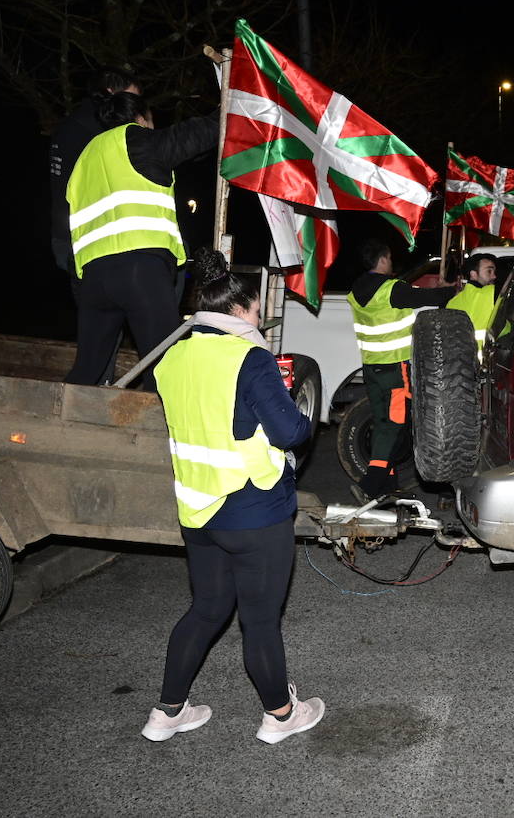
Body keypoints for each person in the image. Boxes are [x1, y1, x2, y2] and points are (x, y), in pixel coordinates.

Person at [143, 247, 324, 745]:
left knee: (205, 609)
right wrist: (293, 403)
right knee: (260, 621)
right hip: (253, 511)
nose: (262, 317)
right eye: (258, 308)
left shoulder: (171, 357)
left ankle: (166, 713)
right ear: (239, 310)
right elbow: (290, 432)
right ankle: (281, 715)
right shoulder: (249, 357)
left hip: (198, 511)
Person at [64, 90, 218, 388]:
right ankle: (153, 434)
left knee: (86, 371)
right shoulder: (140, 141)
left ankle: (51, 424)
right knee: (164, 368)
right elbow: (202, 132)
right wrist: (229, 106)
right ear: (141, 118)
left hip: (92, 280)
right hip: (140, 270)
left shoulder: (85, 158)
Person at [348, 239, 455, 499]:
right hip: (396, 367)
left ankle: (388, 485)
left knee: (382, 422)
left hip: (372, 367)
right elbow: (429, 297)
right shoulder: (391, 290)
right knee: (395, 425)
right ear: (382, 259)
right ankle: (370, 484)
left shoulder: (356, 289)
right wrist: (449, 290)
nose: (392, 263)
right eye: (389, 258)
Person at [49, 66, 143, 285]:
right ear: (111, 93)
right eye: (133, 99)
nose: (137, 109)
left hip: (70, 237)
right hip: (92, 241)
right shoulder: (101, 132)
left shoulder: (72, 124)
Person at [446, 252, 498, 358]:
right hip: (485, 362)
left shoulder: (453, 302)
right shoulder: (491, 293)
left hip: (460, 364)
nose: (494, 276)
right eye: (489, 271)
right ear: (473, 274)